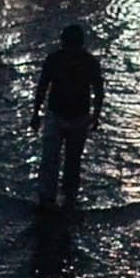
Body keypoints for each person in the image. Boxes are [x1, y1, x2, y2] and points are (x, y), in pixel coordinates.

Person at [31, 22, 106, 209]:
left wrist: (35, 114)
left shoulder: (54, 60)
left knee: (52, 160)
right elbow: (98, 90)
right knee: (71, 160)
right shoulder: (89, 62)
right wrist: (96, 115)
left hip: (62, 115)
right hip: (75, 116)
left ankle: (49, 198)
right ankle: (67, 198)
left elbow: (42, 87)